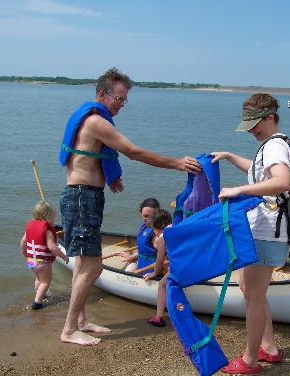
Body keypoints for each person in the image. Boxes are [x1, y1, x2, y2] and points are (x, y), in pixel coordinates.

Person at [59, 67, 201, 346]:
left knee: (82, 264)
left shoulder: (91, 118)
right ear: (102, 93)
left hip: (83, 195)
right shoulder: (98, 122)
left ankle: (80, 321)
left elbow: (90, 156)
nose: (121, 105)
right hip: (82, 197)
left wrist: (109, 178)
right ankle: (68, 329)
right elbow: (133, 152)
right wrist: (176, 162)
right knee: (93, 267)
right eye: (119, 99)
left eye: (125, 100)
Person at [212, 93, 290, 374]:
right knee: (250, 290)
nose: (251, 131)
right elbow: (260, 173)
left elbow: (281, 181)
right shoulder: (271, 146)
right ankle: (268, 347)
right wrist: (230, 156)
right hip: (264, 230)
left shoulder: (275, 147)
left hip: (267, 231)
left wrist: (239, 190)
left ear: (270, 118)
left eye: (254, 124)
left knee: (254, 297)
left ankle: (250, 361)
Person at [20, 201, 69, 310]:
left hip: (31, 260)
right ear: (49, 216)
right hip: (43, 261)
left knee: (39, 279)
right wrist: (63, 256)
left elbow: (23, 240)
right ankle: (37, 302)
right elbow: (52, 247)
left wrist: (24, 250)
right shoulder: (47, 230)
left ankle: (41, 295)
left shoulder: (31, 226)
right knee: (46, 282)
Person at [143, 209, 172, 327]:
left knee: (162, 284)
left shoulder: (161, 237)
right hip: (190, 262)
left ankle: (158, 317)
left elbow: (159, 260)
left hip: (180, 266)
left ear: (155, 226)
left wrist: (155, 273)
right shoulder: (175, 228)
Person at [117, 198, 160, 272]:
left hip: (150, 271)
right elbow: (145, 249)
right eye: (145, 216)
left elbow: (166, 256)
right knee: (127, 270)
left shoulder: (158, 235)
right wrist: (132, 256)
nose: (149, 219)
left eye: (153, 216)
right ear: (141, 214)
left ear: (158, 214)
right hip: (141, 263)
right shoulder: (145, 227)